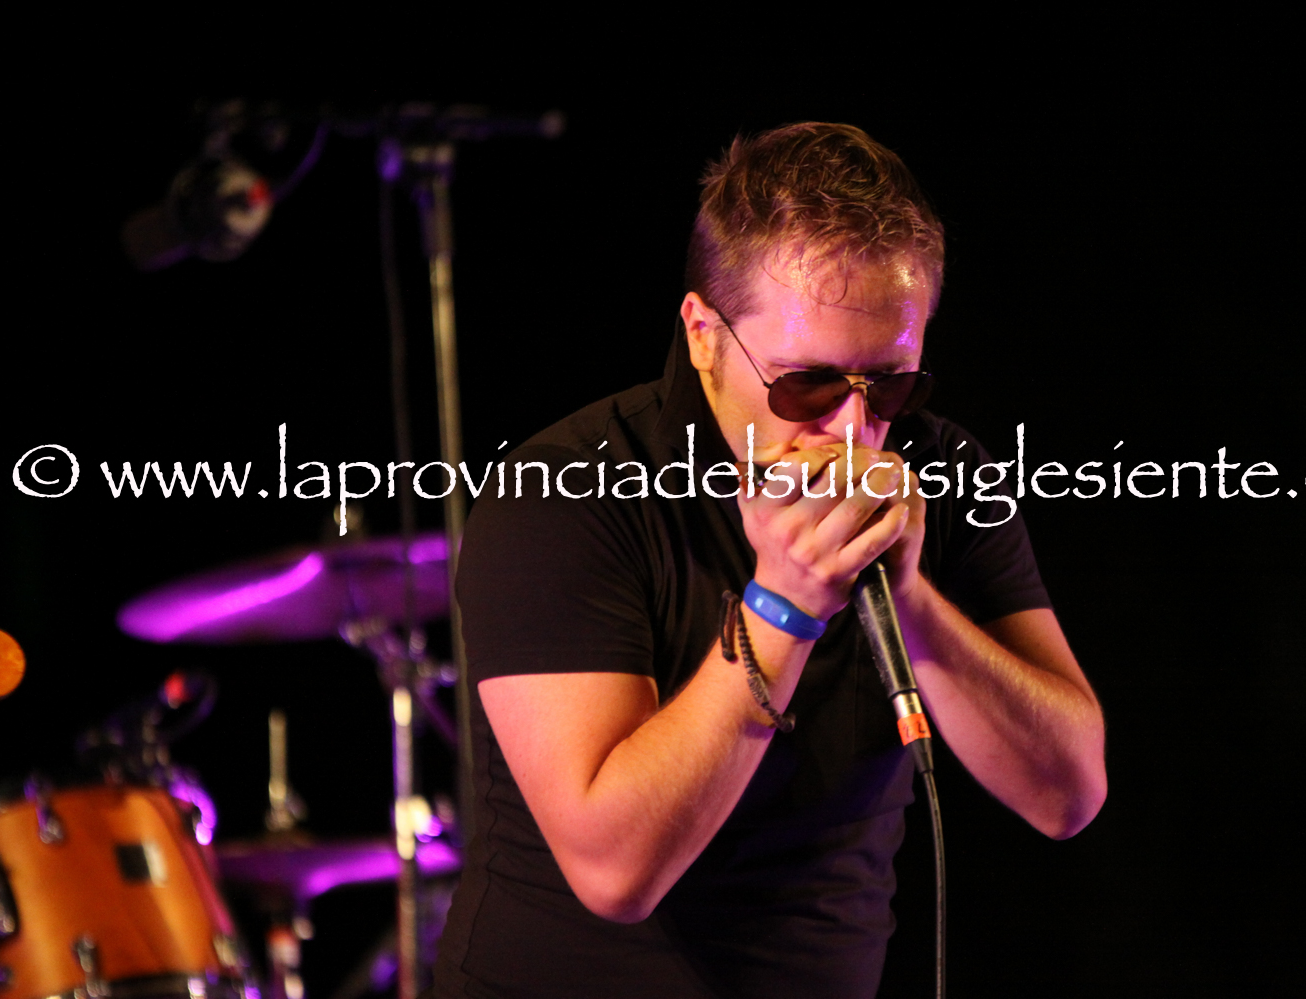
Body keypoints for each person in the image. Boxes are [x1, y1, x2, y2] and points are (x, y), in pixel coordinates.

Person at [434, 122, 1107, 999]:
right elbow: (614, 872)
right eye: (807, 383)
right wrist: (784, 605)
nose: (851, 428)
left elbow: (1067, 795)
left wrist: (909, 596)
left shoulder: (941, 471)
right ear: (703, 334)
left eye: (890, 383)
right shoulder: (565, 491)